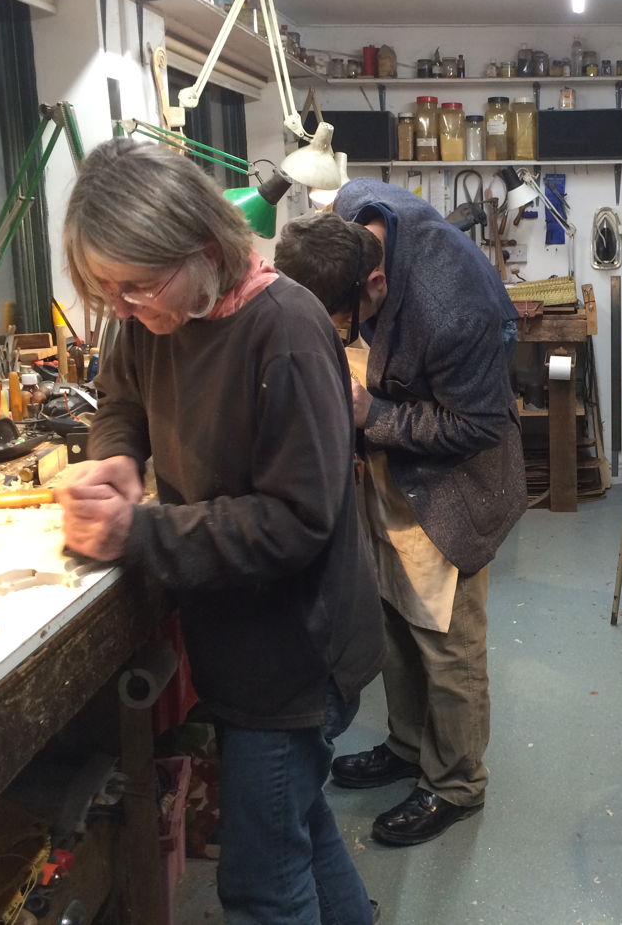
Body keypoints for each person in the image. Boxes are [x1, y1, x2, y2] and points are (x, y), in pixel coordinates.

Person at [56, 139, 384, 925]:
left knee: (263, 886)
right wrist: (115, 461)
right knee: (296, 824)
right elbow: (121, 400)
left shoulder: (289, 332)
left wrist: (139, 530)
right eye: (108, 293)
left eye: (135, 288)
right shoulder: (151, 318)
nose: (126, 310)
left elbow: (293, 521)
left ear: (205, 249)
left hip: (296, 655)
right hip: (238, 643)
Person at [274, 177, 525, 846]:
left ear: (374, 283)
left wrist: (371, 414)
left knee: (446, 641)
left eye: (339, 321)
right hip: (390, 472)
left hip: (452, 485)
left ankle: (456, 782)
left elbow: (479, 424)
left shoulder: (455, 308)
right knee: (393, 623)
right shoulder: (354, 209)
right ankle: (410, 746)